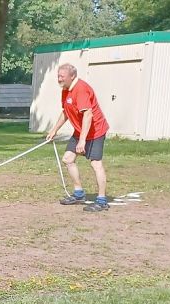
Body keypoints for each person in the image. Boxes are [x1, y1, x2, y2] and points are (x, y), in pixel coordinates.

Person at [46, 63, 111, 212]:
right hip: (80, 130)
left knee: (96, 164)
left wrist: (82, 141)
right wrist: (54, 130)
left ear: (72, 76)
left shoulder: (80, 89)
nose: (59, 79)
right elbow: (66, 112)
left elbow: (88, 115)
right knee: (68, 159)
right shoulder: (65, 90)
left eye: (62, 76)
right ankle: (79, 193)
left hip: (95, 131)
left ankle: (101, 200)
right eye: (58, 76)